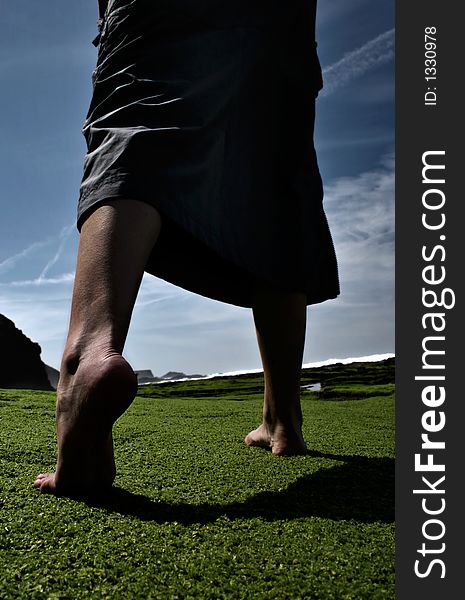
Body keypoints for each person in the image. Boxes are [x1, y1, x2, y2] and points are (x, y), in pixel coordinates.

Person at [34, 0, 339, 495]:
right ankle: (284, 421)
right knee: (274, 179)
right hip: (279, 21)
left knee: (138, 129)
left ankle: (87, 357)